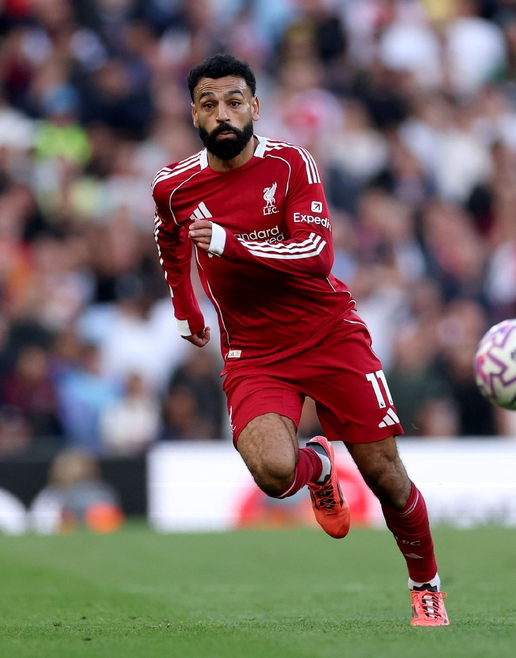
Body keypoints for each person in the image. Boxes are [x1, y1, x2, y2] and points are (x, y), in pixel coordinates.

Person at [151, 53, 449, 627]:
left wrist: (232, 244)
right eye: (209, 104)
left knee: (386, 478)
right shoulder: (173, 185)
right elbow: (170, 240)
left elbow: (317, 256)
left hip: (328, 334)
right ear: (193, 114)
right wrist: (186, 307)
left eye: (234, 101)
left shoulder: (291, 164)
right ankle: (318, 467)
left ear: (255, 106)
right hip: (255, 353)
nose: (223, 113)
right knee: (272, 472)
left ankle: (426, 586)